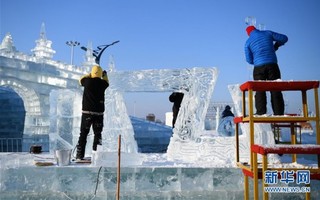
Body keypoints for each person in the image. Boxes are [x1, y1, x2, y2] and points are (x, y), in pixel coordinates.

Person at [244, 25, 288, 115]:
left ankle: (261, 112)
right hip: (272, 65)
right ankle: (279, 113)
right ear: (256, 29)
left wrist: (257, 60)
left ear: (248, 33)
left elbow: (248, 60)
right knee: (275, 88)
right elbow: (284, 38)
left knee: (260, 89)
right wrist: (276, 45)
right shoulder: (267, 33)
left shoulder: (247, 42)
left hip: (258, 67)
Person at [76, 65, 109, 160]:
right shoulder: (103, 83)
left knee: (83, 134)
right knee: (98, 135)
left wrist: (89, 74)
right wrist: (105, 75)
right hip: (98, 114)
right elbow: (107, 82)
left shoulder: (86, 81)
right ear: (100, 73)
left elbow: (80, 79)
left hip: (87, 113)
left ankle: (79, 155)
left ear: (92, 73)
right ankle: (97, 156)